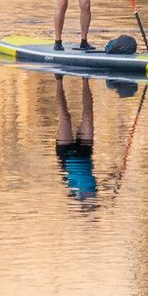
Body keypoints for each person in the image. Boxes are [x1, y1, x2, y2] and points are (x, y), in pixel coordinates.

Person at [52, 72, 99, 202]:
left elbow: (66, 187)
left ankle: (58, 79)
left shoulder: (74, 195)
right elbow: (106, 181)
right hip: (85, 154)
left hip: (66, 158)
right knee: (88, 115)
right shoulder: (95, 194)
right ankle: (85, 78)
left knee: (64, 117)